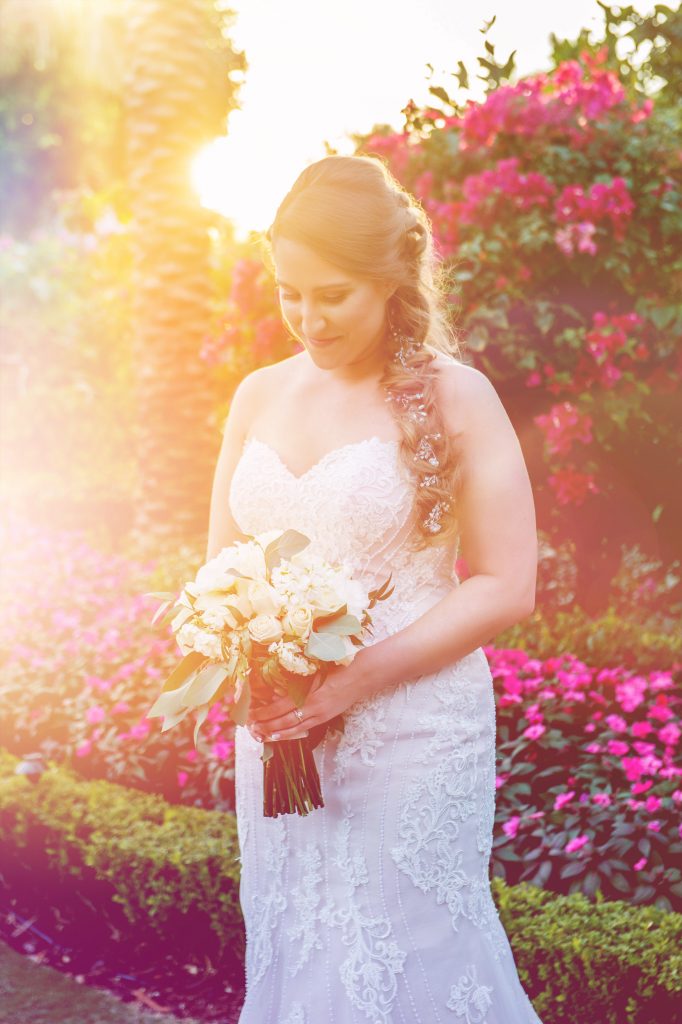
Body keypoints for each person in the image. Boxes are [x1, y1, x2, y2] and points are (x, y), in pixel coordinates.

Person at [206, 154, 543, 1024]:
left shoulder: (458, 397)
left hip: (414, 729)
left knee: (417, 946)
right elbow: (220, 570)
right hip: (282, 733)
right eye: (290, 292)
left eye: (333, 296)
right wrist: (256, 666)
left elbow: (508, 583)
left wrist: (353, 679)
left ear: (390, 279)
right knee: (298, 936)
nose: (308, 319)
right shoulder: (256, 394)